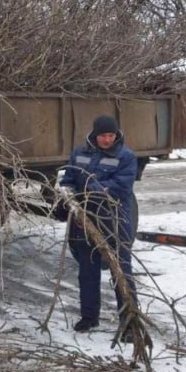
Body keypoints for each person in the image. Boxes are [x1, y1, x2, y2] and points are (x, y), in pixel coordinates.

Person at [60, 115, 138, 338]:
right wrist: (66, 190)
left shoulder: (126, 157)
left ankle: (129, 323)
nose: (107, 140)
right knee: (87, 270)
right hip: (85, 219)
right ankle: (89, 317)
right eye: (103, 135)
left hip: (114, 221)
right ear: (95, 134)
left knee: (121, 271)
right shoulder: (79, 153)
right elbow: (69, 177)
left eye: (111, 136)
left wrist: (91, 189)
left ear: (116, 135)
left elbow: (121, 187)